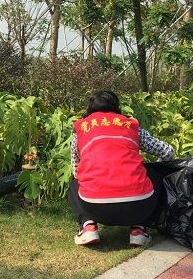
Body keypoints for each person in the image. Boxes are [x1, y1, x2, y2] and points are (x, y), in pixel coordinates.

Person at [68, 90, 175, 247]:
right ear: (117, 107)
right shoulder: (129, 126)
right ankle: (139, 229)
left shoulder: (81, 129)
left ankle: (88, 226)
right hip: (138, 206)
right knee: (154, 172)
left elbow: (76, 170)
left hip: (95, 207)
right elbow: (168, 152)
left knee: (75, 184)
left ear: (89, 108)